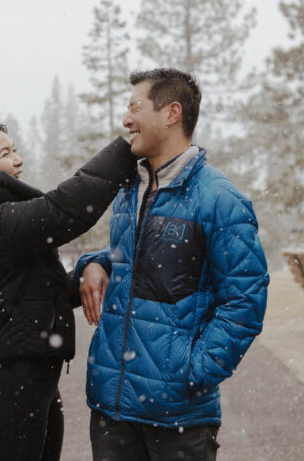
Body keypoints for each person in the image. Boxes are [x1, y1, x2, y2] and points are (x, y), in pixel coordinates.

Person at [75, 68, 269, 460]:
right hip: (112, 412)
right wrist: (96, 263)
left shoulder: (220, 200)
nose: (126, 120)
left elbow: (245, 302)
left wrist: (190, 373)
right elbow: (136, 260)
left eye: (135, 107)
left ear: (171, 113)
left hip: (178, 419)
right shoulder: (131, 189)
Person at [0, 122, 137, 461]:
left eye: (15, 150)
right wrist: (126, 151)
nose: (19, 160)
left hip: (30, 378)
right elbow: (64, 211)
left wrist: (91, 269)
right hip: (14, 383)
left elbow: (40, 292)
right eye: (6, 153)